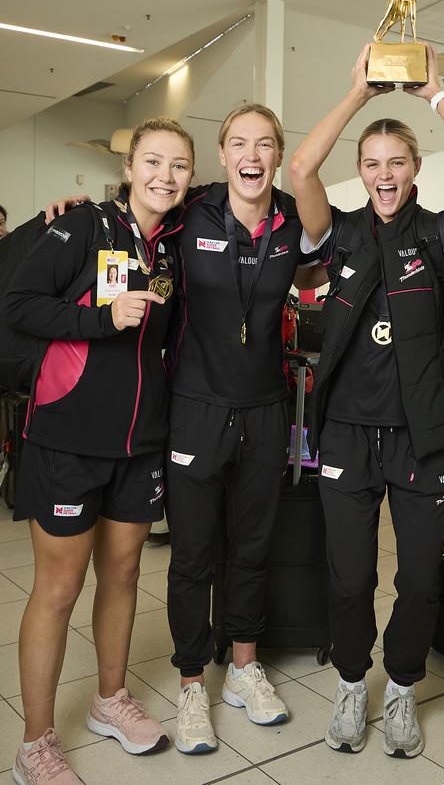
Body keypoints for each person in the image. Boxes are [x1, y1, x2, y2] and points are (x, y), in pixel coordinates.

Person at [46, 104, 323, 757]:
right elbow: (128, 217)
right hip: (195, 406)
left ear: (277, 155)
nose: (251, 154)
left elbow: (314, 268)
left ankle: (245, 667)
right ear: (222, 155)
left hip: (264, 406)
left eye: (264, 144)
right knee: (193, 555)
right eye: (238, 142)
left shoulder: (290, 217)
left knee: (252, 546)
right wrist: (74, 210)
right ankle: (194, 680)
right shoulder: (189, 211)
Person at [289, 43, 444, 758]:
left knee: (420, 580)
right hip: (346, 432)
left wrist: (435, 93)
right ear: (362, 172)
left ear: (413, 170)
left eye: (396, 162)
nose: (383, 174)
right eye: (372, 163)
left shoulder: (440, 238)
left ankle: (401, 688)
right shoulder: (341, 232)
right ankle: (353, 682)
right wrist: (358, 95)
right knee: (349, 580)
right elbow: (299, 169)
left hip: (422, 437)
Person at [4, 117, 194, 784]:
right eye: (153, 161)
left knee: (121, 575)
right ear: (130, 165)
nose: (164, 175)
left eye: (178, 165)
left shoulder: (168, 248)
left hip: (141, 444)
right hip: (68, 439)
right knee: (57, 588)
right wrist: (98, 319)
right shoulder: (83, 225)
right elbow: (19, 302)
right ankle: (35, 741)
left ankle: (110, 699)